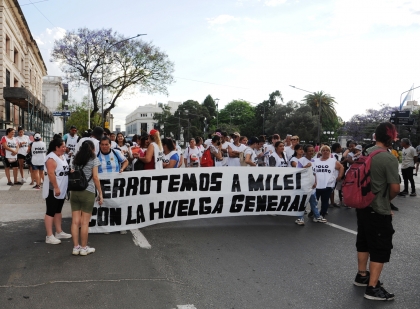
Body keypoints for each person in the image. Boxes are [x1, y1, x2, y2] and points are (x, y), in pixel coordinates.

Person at [354, 122, 400, 301]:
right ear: (391, 138)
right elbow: (395, 188)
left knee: (364, 240)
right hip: (378, 208)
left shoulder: (366, 152)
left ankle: (361, 275)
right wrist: (386, 202)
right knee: (381, 247)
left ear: (375, 136)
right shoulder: (388, 158)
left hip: (362, 205)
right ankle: (372, 287)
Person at [70, 140, 103, 256]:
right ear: (93, 148)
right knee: (84, 222)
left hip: (74, 192)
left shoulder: (75, 158)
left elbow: (71, 171)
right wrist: (100, 193)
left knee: (75, 222)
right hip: (87, 191)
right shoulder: (94, 159)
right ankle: (84, 248)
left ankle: (75, 247)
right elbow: (95, 177)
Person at [42, 137, 71, 245]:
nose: (65, 148)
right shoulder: (51, 158)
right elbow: (51, 173)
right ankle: (49, 236)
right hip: (53, 189)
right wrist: (56, 187)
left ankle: (59, 231)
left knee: (58, 210)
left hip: (62, 188)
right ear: (56, 147)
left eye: (64, 146)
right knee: (50, 211)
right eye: (62, 146)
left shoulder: (62, 156)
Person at [313, 145, 344, 218]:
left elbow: (341, 167)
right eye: (323, 150)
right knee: (314, 200)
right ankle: (313, 212)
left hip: (328, 184)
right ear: (321, 152)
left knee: (325, 200)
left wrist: (339, 176)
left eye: (327, 150)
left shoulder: (333, 161)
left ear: (330, 152)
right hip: (317, 184)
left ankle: (322, 213)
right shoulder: (315, 160)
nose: (325, 152)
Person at [302, 144, 327, 223]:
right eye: (309, 151)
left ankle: (317, 216)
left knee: (314, 202)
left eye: (312, 151)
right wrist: (305, 166)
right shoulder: (301, 160)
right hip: (303, 186)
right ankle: (300, 217)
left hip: (312, 186)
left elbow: (315, 173)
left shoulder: (314, 161)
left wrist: (316, 182)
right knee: (302, 202)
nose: (311, 152)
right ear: (305, 152)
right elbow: (298, 172)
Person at [290, 144, 312, 225]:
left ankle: (314, 214)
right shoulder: (294, 159)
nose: (301, 151)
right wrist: (306, 166)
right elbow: (298, 169)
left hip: (306, 181)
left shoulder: (306, 159)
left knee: (310, 197)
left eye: (302, 149)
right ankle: (299, 216)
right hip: (297, 181)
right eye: (300, 149)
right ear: (296, 150)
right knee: (299, 198)